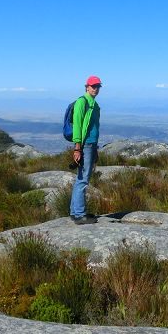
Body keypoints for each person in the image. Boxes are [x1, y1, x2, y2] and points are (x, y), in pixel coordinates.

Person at [69, 75, 102, 224]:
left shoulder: (94, 105)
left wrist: (95, 149)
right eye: (93, 86)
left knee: (81, 178)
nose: (95, 89)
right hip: (85, 145)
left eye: (98, 86)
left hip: (92, 145)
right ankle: (80, 214)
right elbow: (77, 125)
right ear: (86, 87)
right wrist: (77, 148)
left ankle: (74, 212)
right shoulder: (82, 103)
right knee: (83, 179)